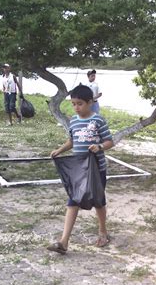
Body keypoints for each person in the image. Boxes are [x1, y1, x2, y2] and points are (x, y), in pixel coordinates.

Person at [48, 85, 114, 254]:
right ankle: (64, 241)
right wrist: (60, 150)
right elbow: (72, 141)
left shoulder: (98, 120)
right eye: (73, 104)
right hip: (79, 170)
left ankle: (103, 232)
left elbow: (109, 142)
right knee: (73, 201)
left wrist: (99, 146)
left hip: (96, 169)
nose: (76, 107)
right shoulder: (74, 121)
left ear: (90, 102)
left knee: (99, 201)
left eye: (80, 104)